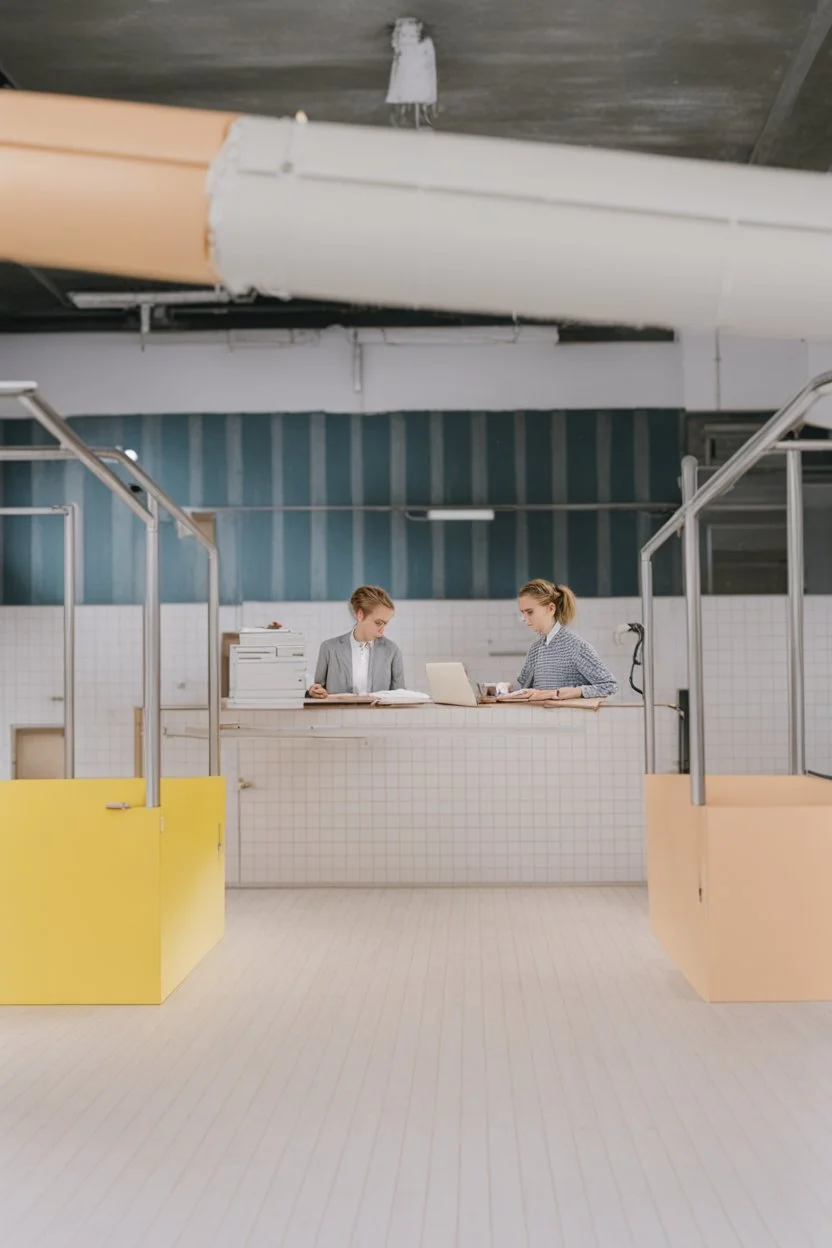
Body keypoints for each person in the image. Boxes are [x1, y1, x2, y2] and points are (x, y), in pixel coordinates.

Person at [510, 578, 618, 700]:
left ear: (551, 609)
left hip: (570, 718)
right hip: (541, 718)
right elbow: (521, 688)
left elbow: (610, 686)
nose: (524, 618)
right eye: (522, 613)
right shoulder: (535, 649)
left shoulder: (576, 647)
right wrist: (501, 688)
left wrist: (560, 693)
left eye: (530, 612)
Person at [307, 585, 405, 698]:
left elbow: (400, 696)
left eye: (385, 624)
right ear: (360, 615)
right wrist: (313, 692)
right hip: (338, 714)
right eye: (378, 623)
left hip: (378, 715)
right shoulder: (328, 648)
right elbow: (317, 692)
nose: (382, 631)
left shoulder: (392, 650)